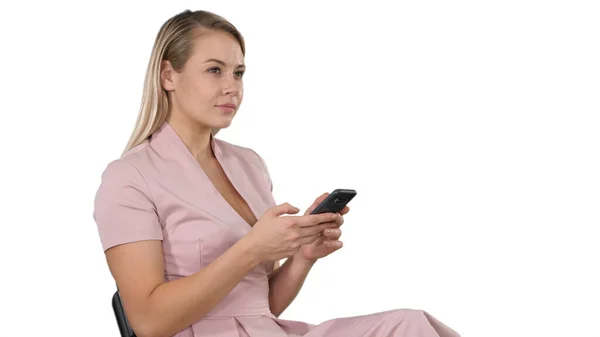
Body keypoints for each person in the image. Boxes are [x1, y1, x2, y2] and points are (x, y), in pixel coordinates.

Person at [93, 9, 460, 337]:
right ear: (169, 75)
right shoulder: (129, 178)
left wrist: (303, 256)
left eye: (238, 73)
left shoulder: (248, 165)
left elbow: (255, 308)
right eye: (214, 70)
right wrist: (251, 249)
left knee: (410, 325)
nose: (231, 87)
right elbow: (148, 323)